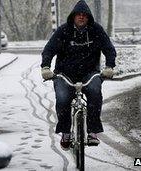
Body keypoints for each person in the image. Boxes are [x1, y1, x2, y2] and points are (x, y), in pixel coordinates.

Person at [41, 0, 116, 150]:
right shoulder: (63, 31)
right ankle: (66, 132)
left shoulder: (96, 30)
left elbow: (109, 49)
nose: (81, 17)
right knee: (62, 99)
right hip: (64, 73)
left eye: (84, 15)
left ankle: (93, 131)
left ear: (88, 17)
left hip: (90, 73)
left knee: (95, 93)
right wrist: (45, 67)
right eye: (78, 15)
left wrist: (109, 66)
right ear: (73, 17)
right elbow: (49, 49)